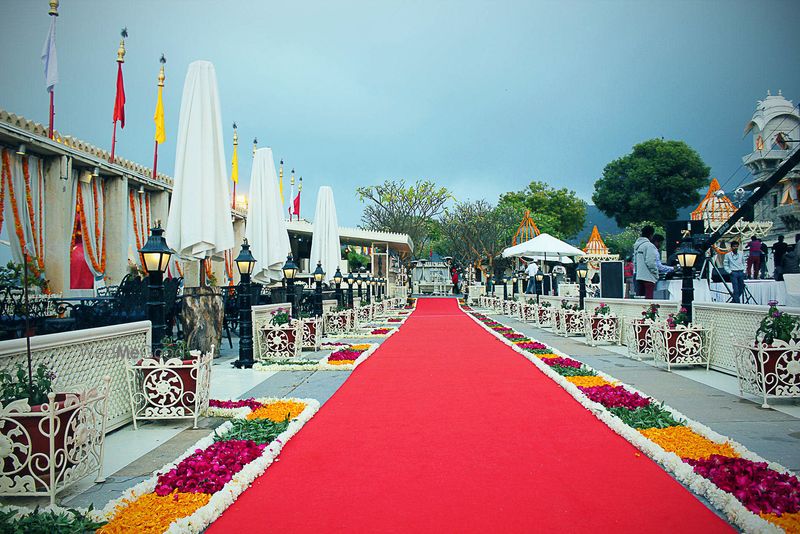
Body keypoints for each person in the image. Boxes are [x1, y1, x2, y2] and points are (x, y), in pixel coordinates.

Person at [633, 225, 659, 299]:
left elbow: (635, 262)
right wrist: (655, 274)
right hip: (648, 278)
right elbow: (651, 262)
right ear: (651, 235)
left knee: (640, 300)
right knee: (649, 300)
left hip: (639, 277)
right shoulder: (649, 246)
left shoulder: (637, 246)